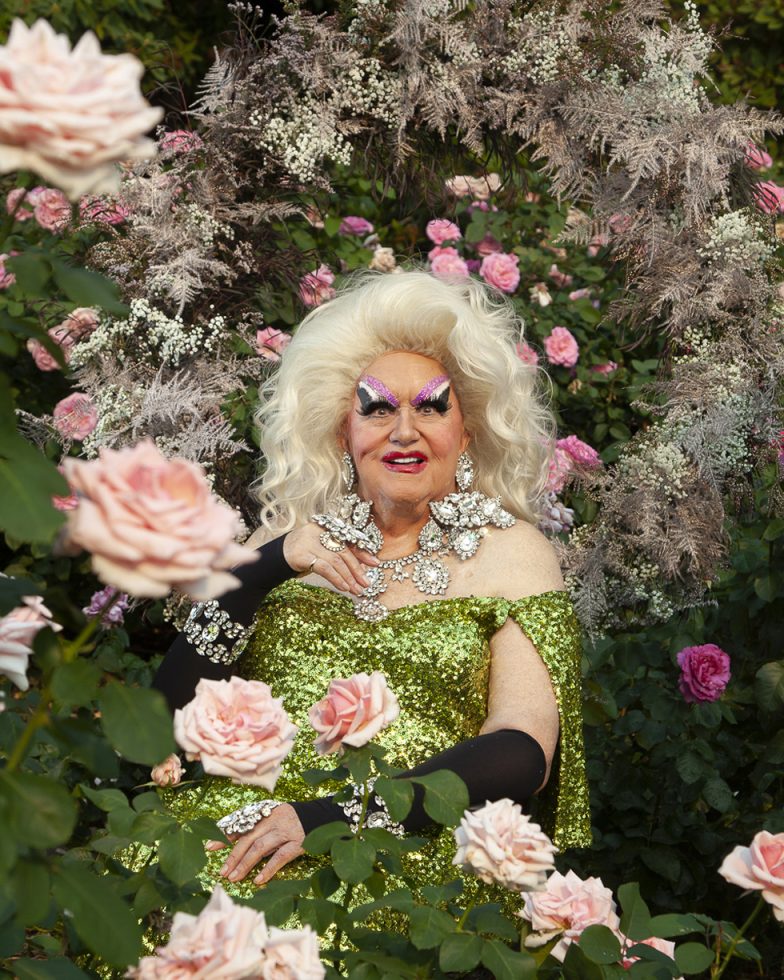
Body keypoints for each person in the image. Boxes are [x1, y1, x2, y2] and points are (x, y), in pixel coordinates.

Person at [151, 269, 591, 898]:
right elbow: (164, 719)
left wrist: (334, 817)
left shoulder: (514, 555)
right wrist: (265, 567)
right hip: (232, 832)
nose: (404, 431)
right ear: (343, 431)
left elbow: (523, 751)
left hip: (402, 851)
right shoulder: (284, 543)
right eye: (378, 408)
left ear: (467, 432)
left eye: (432, 407)